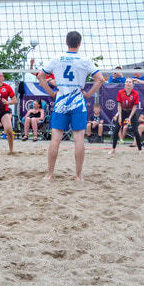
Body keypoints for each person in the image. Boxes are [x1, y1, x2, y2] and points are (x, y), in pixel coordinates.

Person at [38, 31, 106, 180]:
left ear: (66, 42)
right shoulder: (84, 60)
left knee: (55, 139)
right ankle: (78, 176)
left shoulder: (57, 59)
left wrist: (51, 92)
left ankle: (50, 175)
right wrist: (88, 94)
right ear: (79, 43)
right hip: (77, 102)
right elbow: (100, 79)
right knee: (79, 139)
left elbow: (40, 75)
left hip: (61, 100)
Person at [111, 77, 143, 152]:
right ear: (124, 84)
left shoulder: (135, 93)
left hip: (131, 112)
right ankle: (113, 149)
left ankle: (140, 150)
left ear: (132, 85)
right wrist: (120, 117)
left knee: (135, 130)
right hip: (122, 111)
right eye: (127, 82)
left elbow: (135, 107)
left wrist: (129, 118)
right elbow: (119, 105)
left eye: (130, 82)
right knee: (116, 130)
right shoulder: (120, 92)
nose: (128, 83)